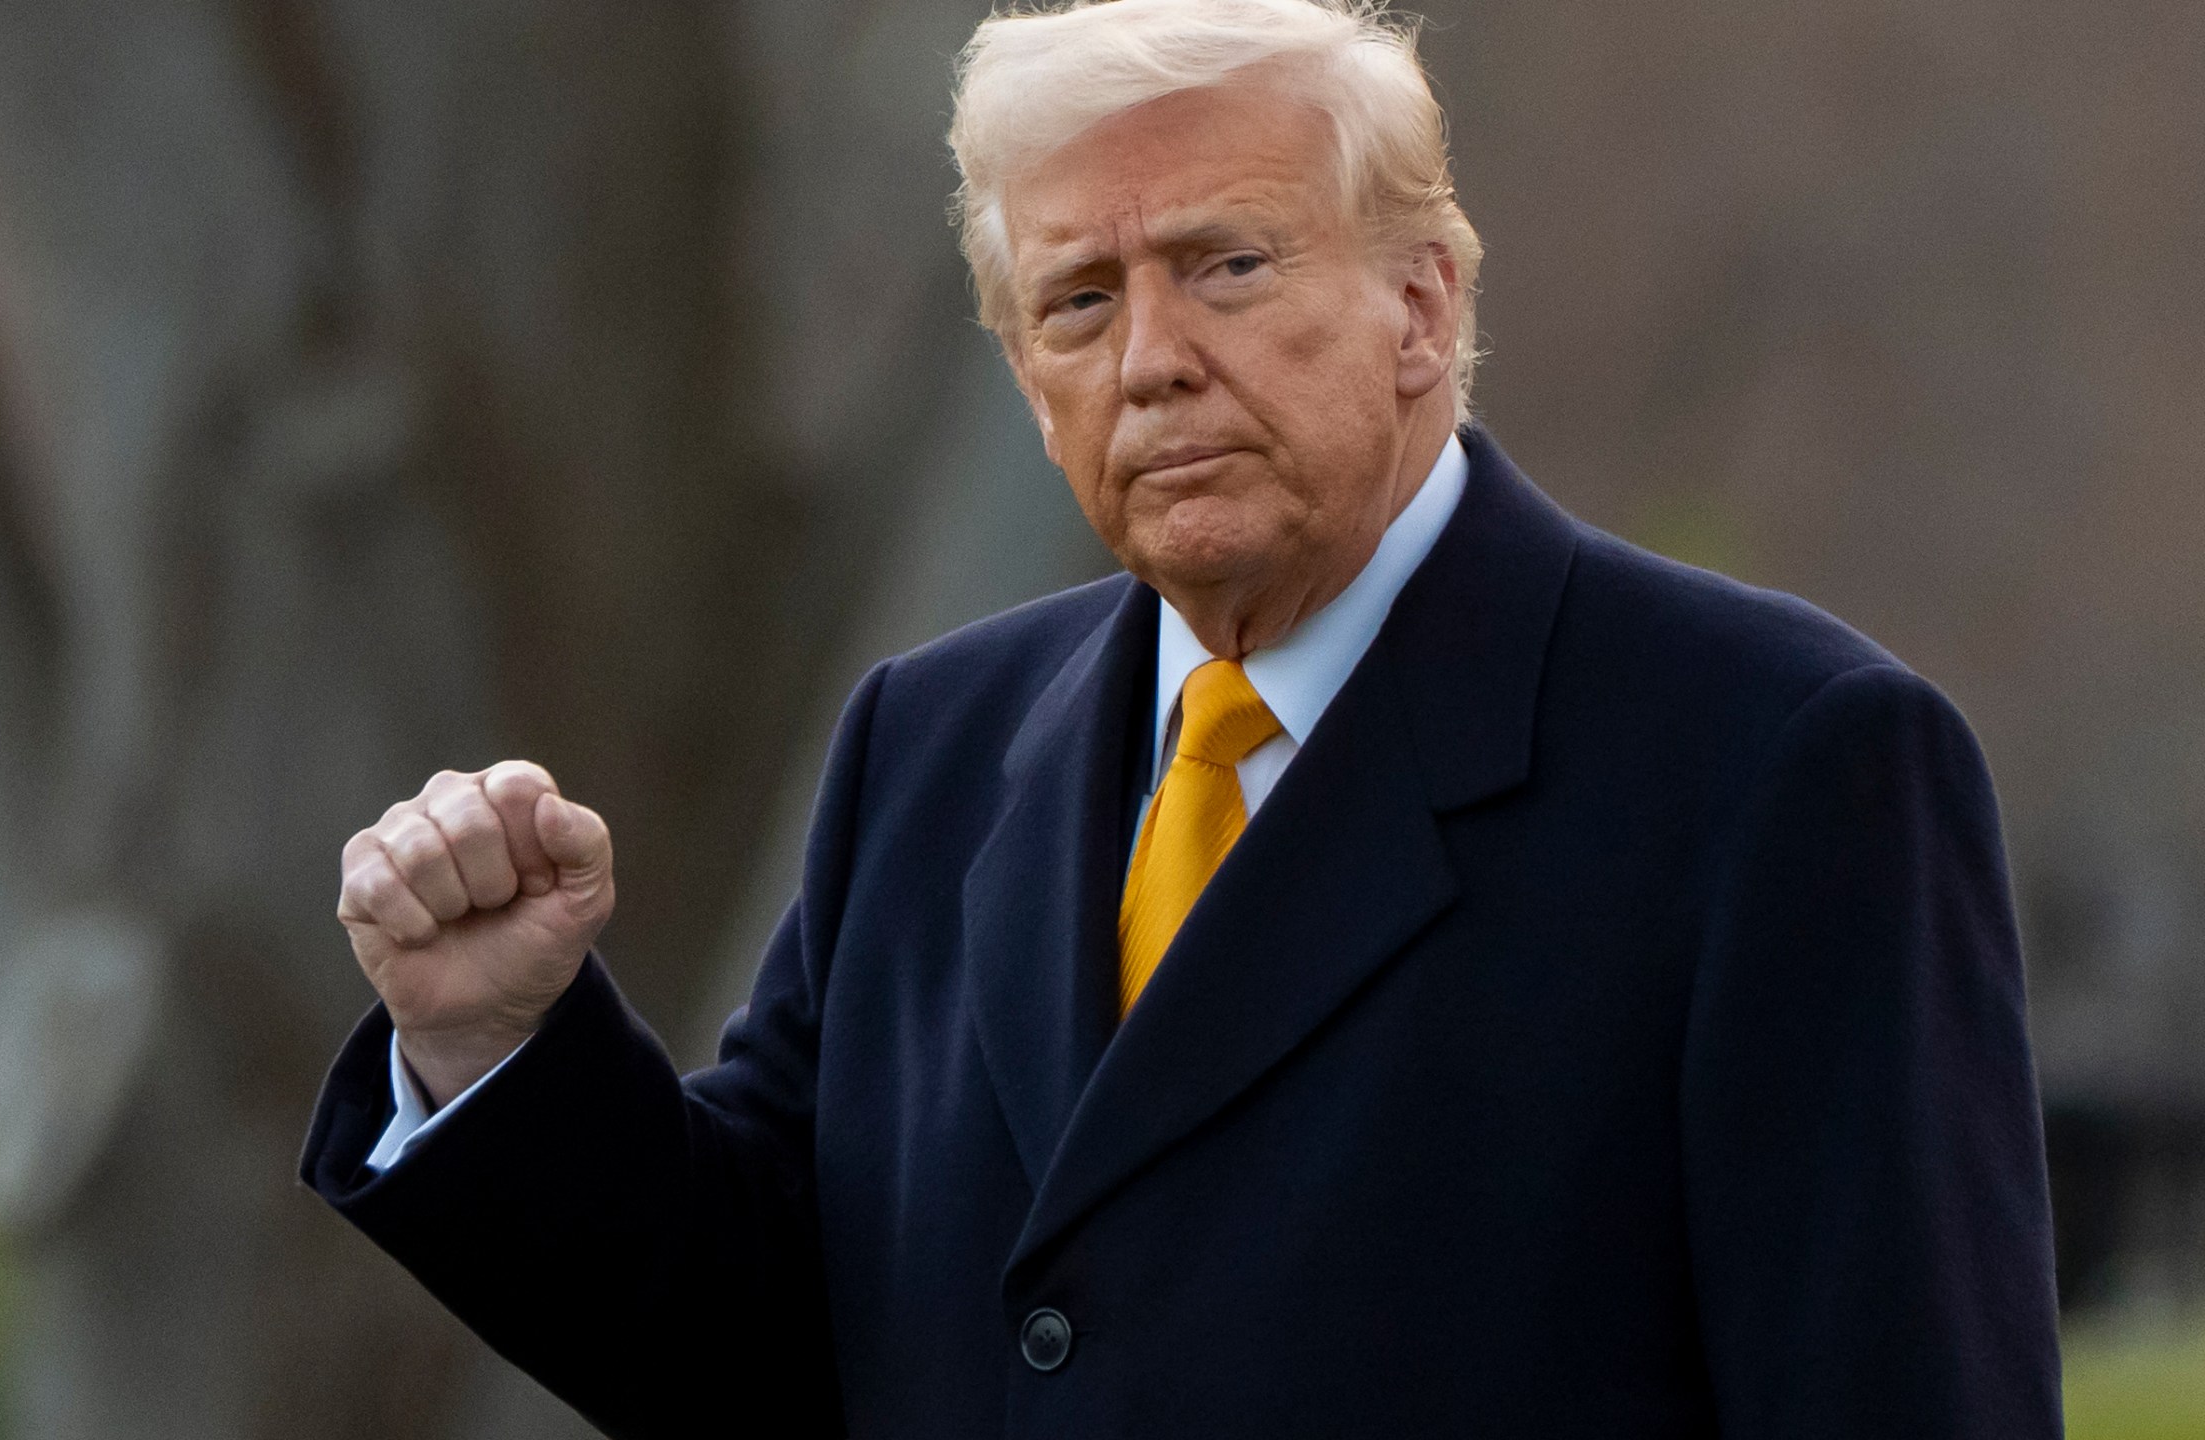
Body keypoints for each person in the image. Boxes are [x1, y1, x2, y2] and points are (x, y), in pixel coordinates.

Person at [300, 1, 2063, 1434]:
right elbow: (771, 1348)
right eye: (1080, 299)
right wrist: (499, 1050)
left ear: (1421, 309)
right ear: (1027, 373)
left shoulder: (1783, 762)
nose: (1151, 357)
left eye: (1226, 266)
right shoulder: (930, 744)